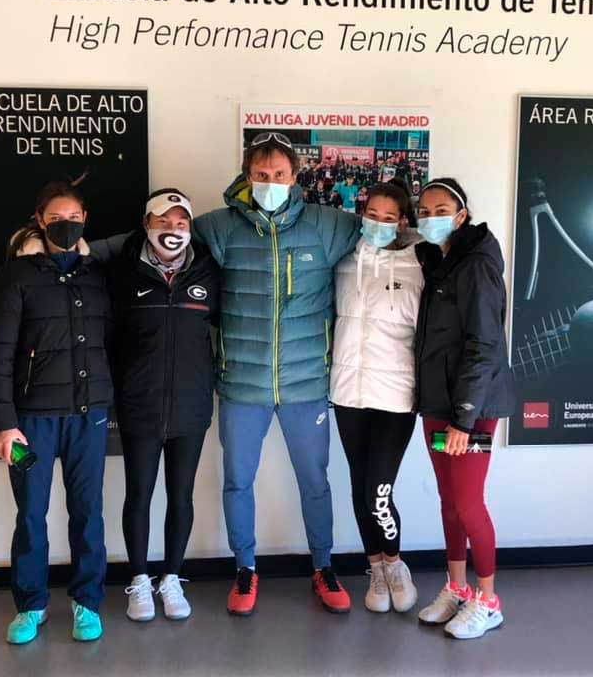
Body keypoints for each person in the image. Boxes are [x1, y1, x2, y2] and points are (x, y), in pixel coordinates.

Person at [194, 132, 362, 616]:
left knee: (316, 480)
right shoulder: (221, 228)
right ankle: (245, 569)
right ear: (248, 177)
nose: (271, 183)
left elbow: (387, 234)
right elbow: (158, 237)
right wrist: (85, 249)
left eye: (280, 175)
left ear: (296, 177)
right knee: (237, 480)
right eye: (262, 176)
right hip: (241, 386)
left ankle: (323, 566)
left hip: (307, 384)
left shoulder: (327, 226)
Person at [0, 181, 114, 645]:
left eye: (73, 216)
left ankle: (87, 603)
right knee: (31, 511)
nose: (65, 224)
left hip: (88, 419)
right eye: (55, 218)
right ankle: (30, 605)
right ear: (39, 220)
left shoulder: (97, 275)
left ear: (85, 219)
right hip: (29, 425)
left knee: (88, 512)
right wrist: (1, 424)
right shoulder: (15, 277)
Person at [106, 189, 221, 623]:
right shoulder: (123, 273)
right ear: (146, 225)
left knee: (181, 495)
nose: (173, 230)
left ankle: (171, 577)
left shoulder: (209, 272)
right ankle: (139, 580)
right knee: (138, 494)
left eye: (181, 222)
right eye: (163, 220)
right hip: (140, 405)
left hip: (192, 407)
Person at [412, 178, 516, 640]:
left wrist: (464, 417)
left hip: (469, 408)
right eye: (424, 209)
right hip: (439, 403)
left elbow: (484, 344)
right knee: (449, 501)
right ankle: (457, 588)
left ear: (461, 215)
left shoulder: (475, 265)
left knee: (469, 503)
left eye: (441, 208)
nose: (431, 216)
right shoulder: (442, 262)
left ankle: (488, 599)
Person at [330, 181, 424, 614]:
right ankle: (376, 568)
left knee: (377, 493)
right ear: (360, 213)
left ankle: (395, 562)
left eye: (389, 219)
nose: (379, 225)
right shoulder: (343, 257)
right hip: (349, 390)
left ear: (403, 222)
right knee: (358, 483)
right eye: (372, 215)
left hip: (396, 395)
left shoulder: (421, 262)